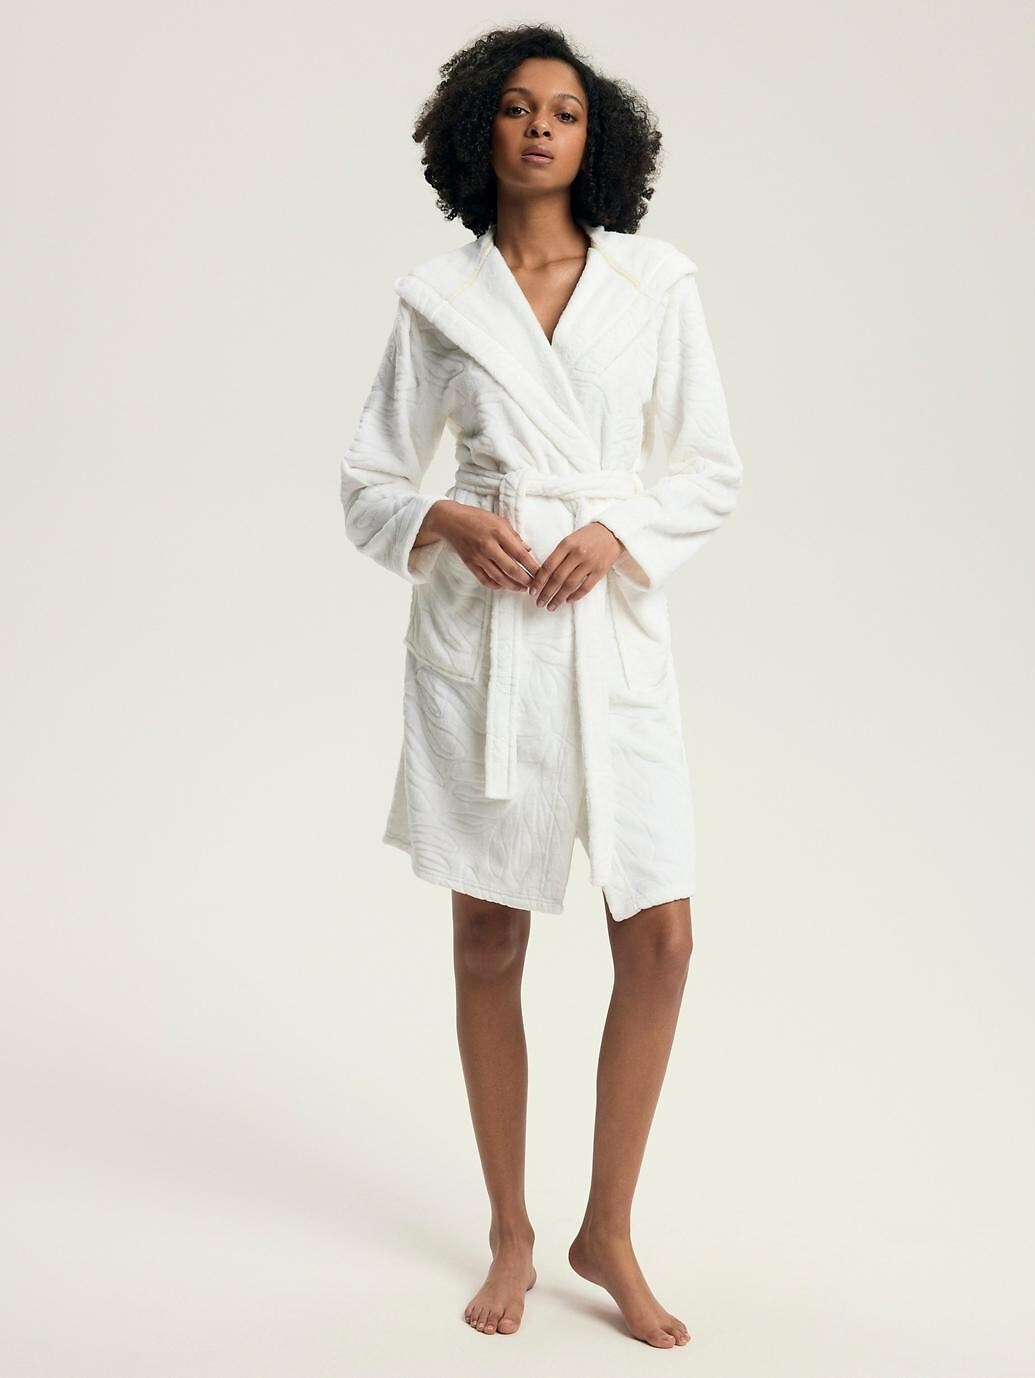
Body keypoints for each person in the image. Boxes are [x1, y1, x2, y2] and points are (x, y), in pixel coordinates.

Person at [339, 24, 743, 1348]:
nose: (539, 129)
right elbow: (369, 479)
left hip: (609, 627)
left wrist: (618, 531)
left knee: (662, 935)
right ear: (481, 130)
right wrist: (447, 520)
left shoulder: (654, 283)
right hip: (490, 633)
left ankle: (605, 1227)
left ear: (595, 137)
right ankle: (511, 1227)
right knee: (488, 937)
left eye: (564, 111)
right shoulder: (440, 300)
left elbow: (709, 466)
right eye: (517, 108)